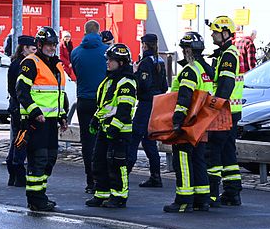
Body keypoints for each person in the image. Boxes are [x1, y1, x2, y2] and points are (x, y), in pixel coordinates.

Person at [15, 26, 69, 212]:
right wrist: (35, 112)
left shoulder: (57, 65)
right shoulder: (30, 63)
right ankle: (35, 199)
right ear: (39, 45)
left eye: (53, 44)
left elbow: (59, 94)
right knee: (38, 160)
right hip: (35, 121)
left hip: (52, 121)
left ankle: (41, 195)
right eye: (47, 44)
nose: (51, 47)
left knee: (50, 159)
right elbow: (21, 91)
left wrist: (63, 116)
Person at [165, 31, 213, 213]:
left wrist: (177, 121)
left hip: (188, 122)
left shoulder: (189, 70)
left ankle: (183, 200)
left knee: (183, 161)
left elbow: (184, 98)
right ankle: (202, 200)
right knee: (199, 160)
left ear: (187, 50)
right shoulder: (205, 71)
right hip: (202, 123)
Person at [86, 44, 138, 208]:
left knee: (117, 164)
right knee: (99, 161)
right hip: (105, 128)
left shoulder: (127, 82)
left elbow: (124, 109)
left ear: (121, 62)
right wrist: (95, 119)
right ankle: (101, 193)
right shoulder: (110, 80)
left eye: (111, 60)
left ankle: (119, 196)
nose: (107, 63)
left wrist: (114, 128)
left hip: (119, 131)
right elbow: (105, 106)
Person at [206, 16, 244, 206]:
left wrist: (214, 106)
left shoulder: (229, 55)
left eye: (215, 32)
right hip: (231, 111)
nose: (212, 35)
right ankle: (232, 192)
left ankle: (211, 195)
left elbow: (225, 85)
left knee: (214, 151)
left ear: (225, 33)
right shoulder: (224, 54)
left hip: (224, 111)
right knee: (228, 153)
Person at [70, 20, 108, 192]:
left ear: (84, 32)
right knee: (104, 140)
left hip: (84, 101)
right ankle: (103, 179)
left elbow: (77, 73)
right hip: (103, 102)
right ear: (99, 32)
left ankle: (90, 180)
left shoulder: (76, 52)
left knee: (87, 142)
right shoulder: (107, 52)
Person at [133, 33, 168, 187]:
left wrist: (135, 74)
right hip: (157, 104)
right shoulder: (160, 60)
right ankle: (156, 176)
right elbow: (165, 86)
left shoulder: (145, 62)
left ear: (145, 45)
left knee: (133, 138)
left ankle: (124, 173)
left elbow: (144, 84)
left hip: (145, 104)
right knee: (149, 141)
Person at [5, 35, 37, 187]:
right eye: (33, 49)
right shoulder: (23, 65)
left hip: (15, 107)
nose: (35, 52)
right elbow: (20, 90)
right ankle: (18, 172)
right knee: (21, 141)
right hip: (21, 108)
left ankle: (13, 170)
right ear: (25, 48)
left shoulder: (14, 63)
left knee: (17, 140)